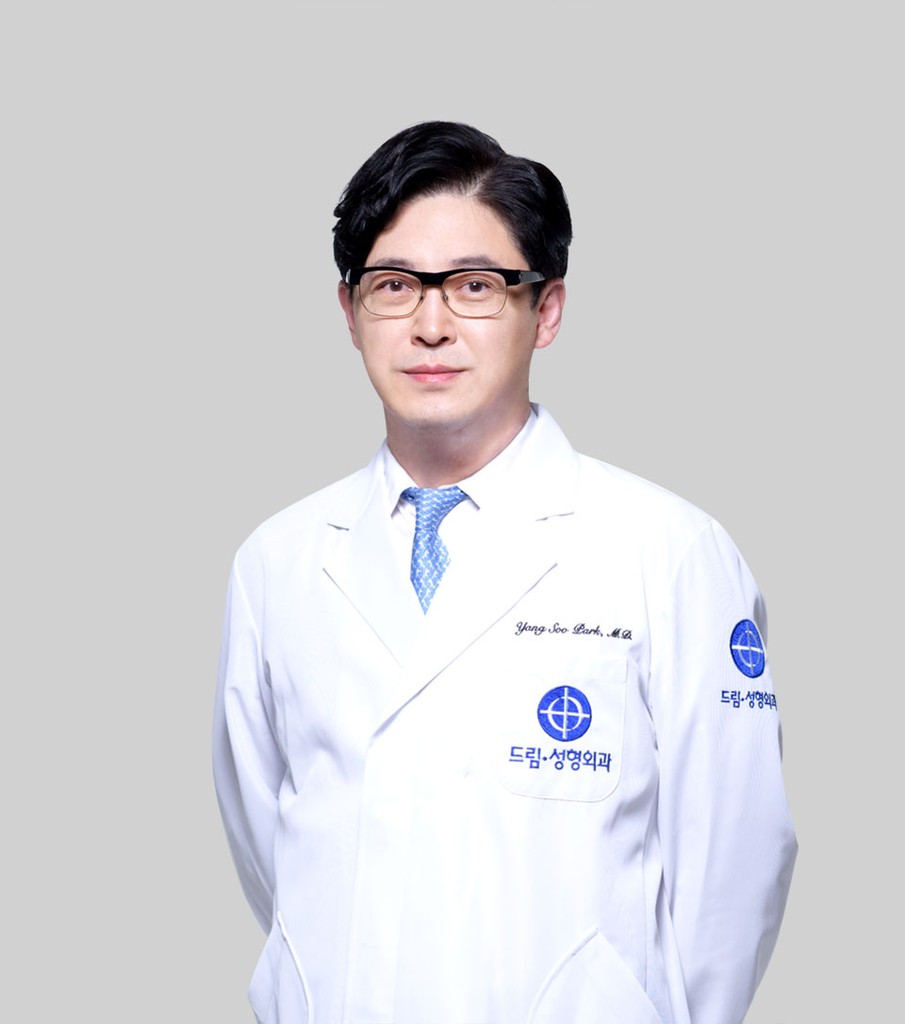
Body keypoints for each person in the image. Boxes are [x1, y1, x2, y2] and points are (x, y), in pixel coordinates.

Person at [213, 120, 797, 1024]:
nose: (431, 324)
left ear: (546, 310)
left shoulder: (668, 549)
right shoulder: (276, 562)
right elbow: (270, 844)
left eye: (475, 286)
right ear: (350, 312)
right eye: (394, 285)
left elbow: (735, 863)